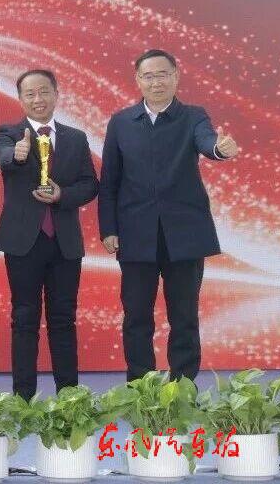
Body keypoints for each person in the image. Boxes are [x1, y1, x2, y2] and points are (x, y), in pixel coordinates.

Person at [99, 49, 239, 381]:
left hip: (184, 235)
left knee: (184, 317)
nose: (156, 82)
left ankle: (183, 388)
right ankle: (140, 388)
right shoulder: (121, 122)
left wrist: (219, 149)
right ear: (138, 80)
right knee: (136, 317)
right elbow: (109, 181)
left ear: (176, 77)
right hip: (135, 235)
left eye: (162, 74)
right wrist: (108, 228)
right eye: (148, 76)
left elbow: (207, 141)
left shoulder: (193, 116)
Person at [0, 69, 98, 399]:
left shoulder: (76, 138)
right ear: (21, 98)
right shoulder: (8, 133)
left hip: (65, 243)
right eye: (30, 94)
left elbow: (90, 184)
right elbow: (3, 156)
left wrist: (63, 195)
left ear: (56, 94)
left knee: (64, 319)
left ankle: (69, 396)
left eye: (44, 92)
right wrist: (17, 154)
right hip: (23, 242)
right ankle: (23, 399)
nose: (38, 99)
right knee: (24, 318)